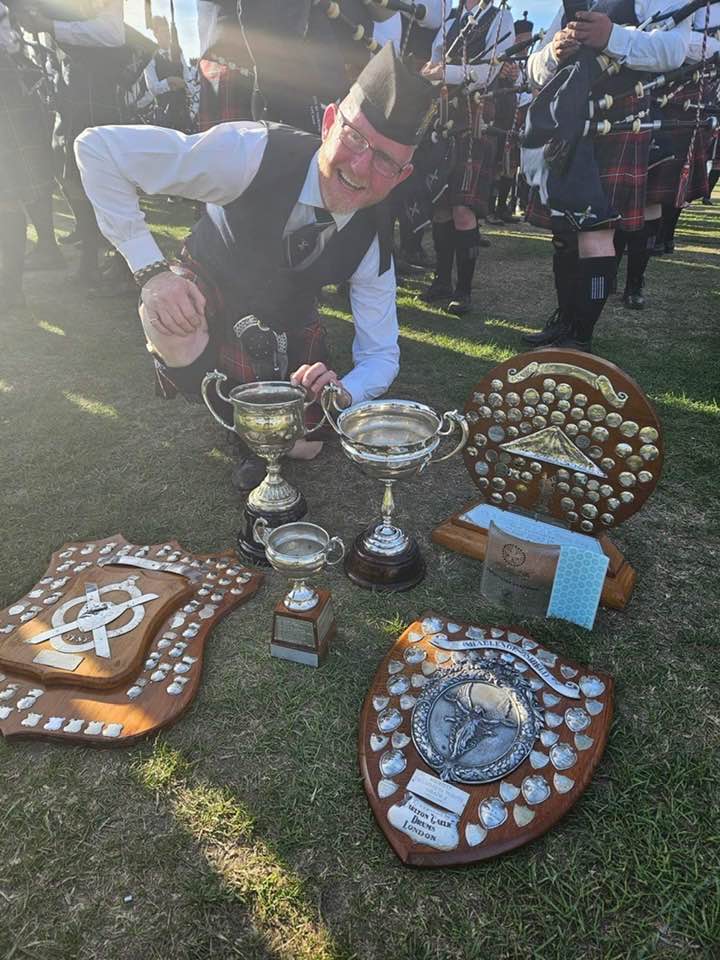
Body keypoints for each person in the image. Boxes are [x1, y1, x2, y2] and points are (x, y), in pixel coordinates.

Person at [75, 43, 434, 490]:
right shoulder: (249, 152)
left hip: (285, 325)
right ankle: (240, 426)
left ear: (402, 176)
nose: (361, 167)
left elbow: (381, 354)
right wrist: (152, 272)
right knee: (166, 318)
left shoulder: (374, 239)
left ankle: (256, 429)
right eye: (355, 138)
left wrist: (343, 391)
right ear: (328, 122)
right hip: (207, 289)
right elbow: (98, 149)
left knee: (309, 442)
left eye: (385, 160)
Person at [521, 0, 690, 352]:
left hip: (620, 121)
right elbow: (533, 67)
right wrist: (553, 52)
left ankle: (580, 336)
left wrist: (612, 36)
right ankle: (565, 321)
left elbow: (675, 51)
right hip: (569, 122)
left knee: (595, 231)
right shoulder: (571, 6)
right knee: (564, 230)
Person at [420, 0, 515, 316]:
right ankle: (441, 281)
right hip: (443, 119)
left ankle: (463, 290)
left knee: (462, 209)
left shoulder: (500, 17)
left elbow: (488, 72)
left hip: (475, 122)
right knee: (440, 207)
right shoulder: (451, 19)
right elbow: (434, 61)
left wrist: (445, 72)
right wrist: (437, 72)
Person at [143, 15, 190, 132]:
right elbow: (153, 88)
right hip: (164, 116)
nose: (167, 34)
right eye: (163, 32)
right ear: (155, 34)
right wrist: (169, 81)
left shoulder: (177, 52)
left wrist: (183, 84)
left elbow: (187, 78)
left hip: (183, 113)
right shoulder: (150, 57)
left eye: (167, 31)